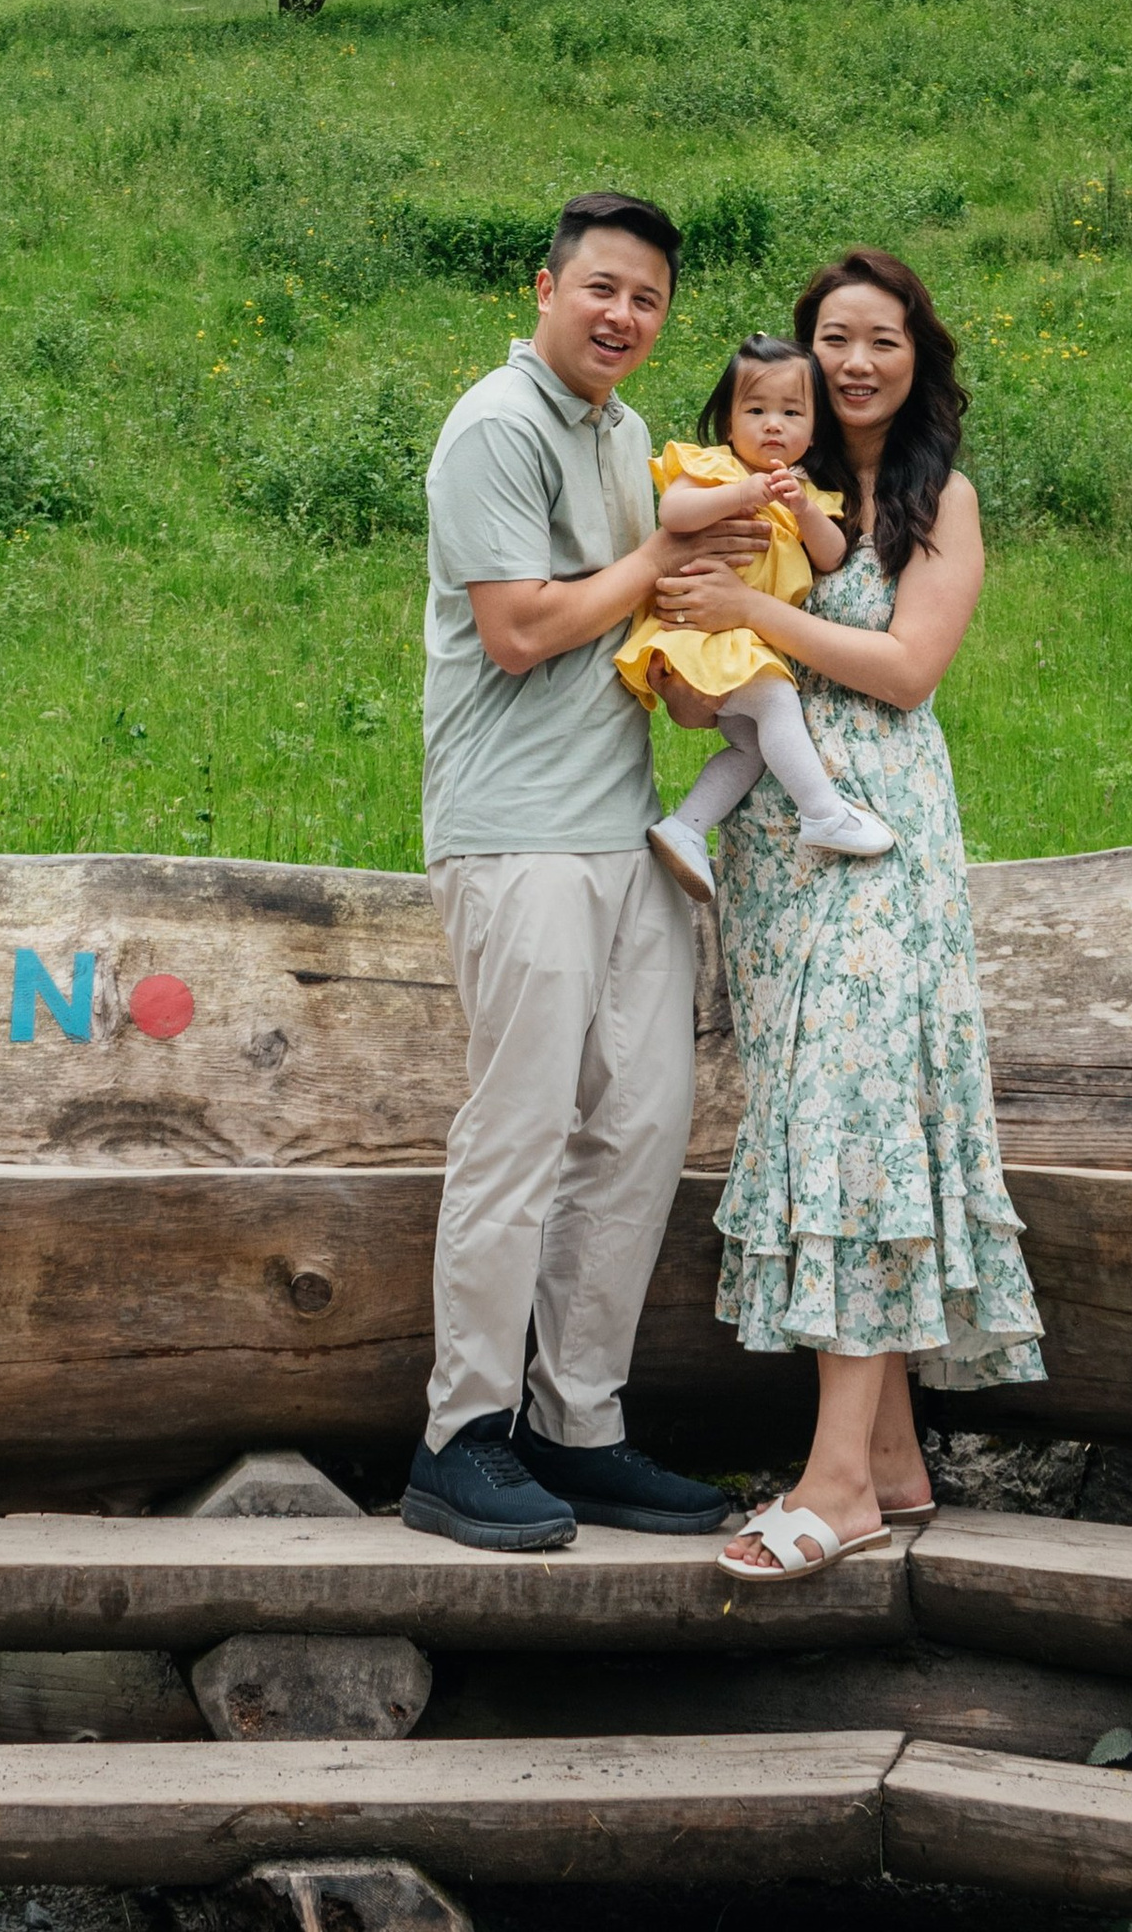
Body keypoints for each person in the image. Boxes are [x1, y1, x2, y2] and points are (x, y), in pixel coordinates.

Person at [651, 246, 1044, 1584]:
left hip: (881, 847)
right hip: (772, 857)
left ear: (918, 357)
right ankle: (889, 1459)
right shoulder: (772, 494)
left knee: (853, 1116)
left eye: (883, 337)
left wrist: (757, 604)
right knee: (822, 1114)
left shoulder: (943, 501)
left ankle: (836, 1488)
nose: (858, 359)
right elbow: (702, 692)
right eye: (835, 338)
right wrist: (705, 630)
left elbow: (907, 667)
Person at [408, 189, 736, 1555]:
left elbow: (634, 628)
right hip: (513, 832)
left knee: (643, 1123)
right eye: (601, 286)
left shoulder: (618, 441)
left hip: (622, 829)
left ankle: (575, 1424)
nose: (622, 314)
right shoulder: (498, 420)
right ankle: (458, 1436)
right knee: (522, 1124)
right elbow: (521, 627)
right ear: (543, 284)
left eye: (648, 298)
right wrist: (661, 557)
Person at [621, 334, 894, 902]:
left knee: (750, 748)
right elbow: (673, 510)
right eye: (755, 410)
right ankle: (822, 813)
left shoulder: (805, 492)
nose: (773, 425)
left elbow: (831, 556)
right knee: (774, 699)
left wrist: (796, 506)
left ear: (813, 431)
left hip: (743, 638)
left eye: (791, 412)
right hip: (702, 632)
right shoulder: (716, 467)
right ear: (727, 423)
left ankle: (687, 827)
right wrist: (740, 492)